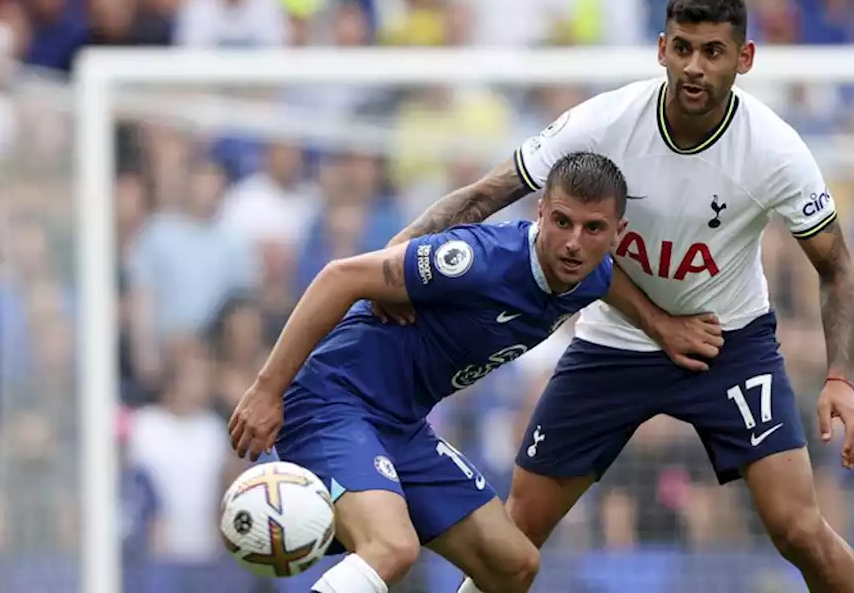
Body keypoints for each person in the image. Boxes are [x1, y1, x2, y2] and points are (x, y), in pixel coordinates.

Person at [377, 0, 854, 593]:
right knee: (516, 534)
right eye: (683, 48)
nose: (695, 67)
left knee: (798, 527)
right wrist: (392, 261)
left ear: (743, 59)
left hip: (729, 341)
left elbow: (838, 269)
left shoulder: (774, 152)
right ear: (661, 49)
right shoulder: (604, 123)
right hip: (613, 340)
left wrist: (840, 378)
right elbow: (484, 195)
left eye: (713, 52)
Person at [227, 152, 722, 593]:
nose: (574, 242)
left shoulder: (591, 271)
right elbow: (341, 276)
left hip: (400, 426)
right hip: (332, 403)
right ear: (541, 213)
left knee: (514, 564)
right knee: (392, 547)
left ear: (617, 233)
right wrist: (267, 390)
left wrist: (662, 326)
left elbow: (609, 281)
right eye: (563, 222)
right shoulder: (479, 261)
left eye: (593, 229)